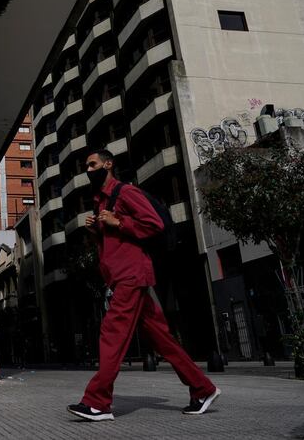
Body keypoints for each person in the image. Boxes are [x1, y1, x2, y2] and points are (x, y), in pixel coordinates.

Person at [67, 149, 220, 422]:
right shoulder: (100, 200)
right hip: (123, 277)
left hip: (132, 275)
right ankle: (203, 388)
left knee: (112, 333)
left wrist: (119, 221)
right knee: (163, 341)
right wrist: (97, 231)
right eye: (86, 167)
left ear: (108, 164)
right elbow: (114, 243)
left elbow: (155, 225)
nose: (89, 170)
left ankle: (98, 402)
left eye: (93, 164)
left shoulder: (125, 192)